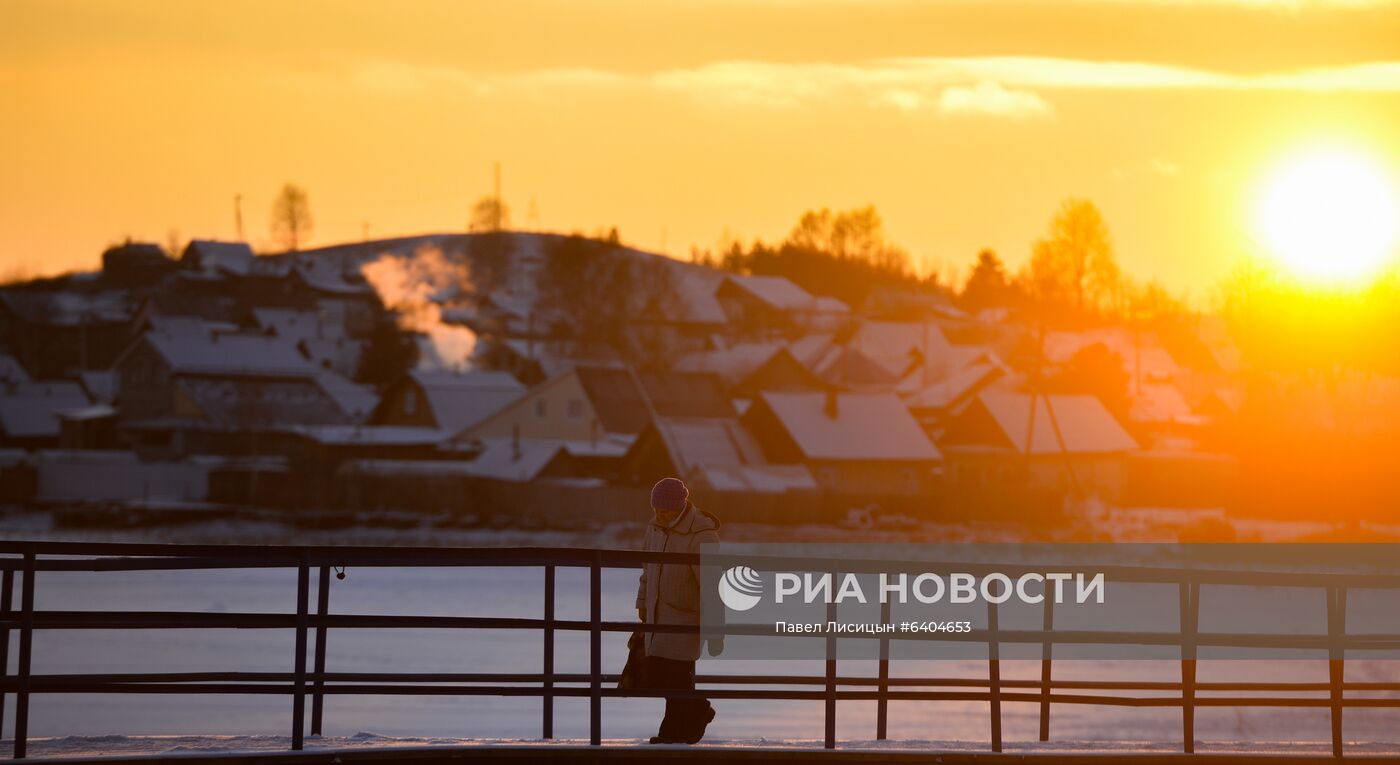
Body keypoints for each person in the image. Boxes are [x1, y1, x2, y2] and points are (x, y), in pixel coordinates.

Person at [636, 477, 723, 744]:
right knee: (662, 676)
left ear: (679, 506)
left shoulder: (701, 534)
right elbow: (647, 571)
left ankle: (673, 733)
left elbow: (711, 585)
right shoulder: (654, 528)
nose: (660, 515)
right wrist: (642, 604)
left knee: (676, 678)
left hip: (684, 618)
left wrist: (715, 629)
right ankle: (694, 715)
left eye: (665, 510)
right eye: (656, 510)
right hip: (657, 617)